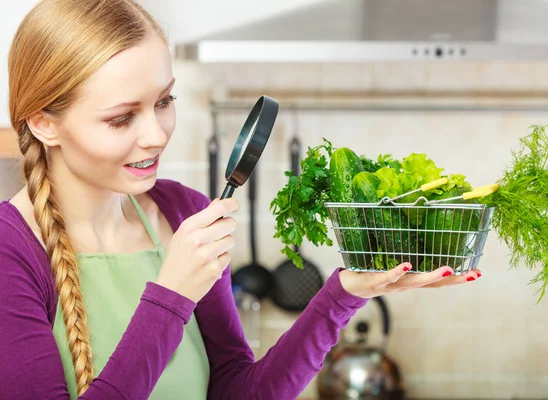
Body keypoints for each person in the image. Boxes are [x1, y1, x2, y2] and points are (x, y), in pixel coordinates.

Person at [0, 0, 481, 399]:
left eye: (164, 102)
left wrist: (343, 294)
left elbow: (239, 391)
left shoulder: (182, 213)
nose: (156, 135)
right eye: (121, 118)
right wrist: (171, 298)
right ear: (44, 122)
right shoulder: (10, 253)